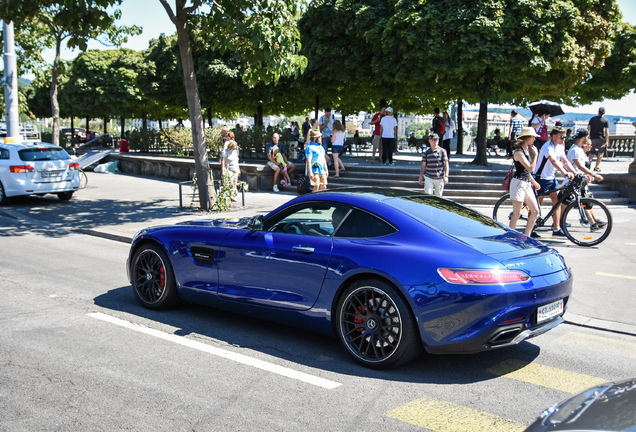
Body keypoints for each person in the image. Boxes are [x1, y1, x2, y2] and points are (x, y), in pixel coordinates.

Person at [533, 126, 576, 237]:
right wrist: (565, 173)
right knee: (537, 204)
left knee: (557, 202)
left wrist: (575, 173)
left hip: (551, 178)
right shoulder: (547, 146)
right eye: (562, 137)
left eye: (565, 137)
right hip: (541, 177)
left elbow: (565, 161)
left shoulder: (560, 147)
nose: (564, 139)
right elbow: (553, 161)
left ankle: (556, 228)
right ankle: (531, 227)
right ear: (554, 136)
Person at [564, 129, 607, 230]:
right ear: (583, 138)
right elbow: (579, 167)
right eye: (587, 137)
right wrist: (594, 174)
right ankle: (592, 222)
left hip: (580, 180)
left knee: (587, 201)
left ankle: (594, 221)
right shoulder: (574, 150)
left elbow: (582, 167)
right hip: (574, 180)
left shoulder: (579, 150)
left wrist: (587, 175)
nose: (588, 139)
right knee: (576, 202)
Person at [508, 127, 541, 237]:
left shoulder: (526, 150)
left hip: (526, 183)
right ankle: (511, 237)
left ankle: (527, 236)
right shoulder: (518, 153)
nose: (534, 139)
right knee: (517, 214)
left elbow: (526, 171)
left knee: (535, 211)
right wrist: (536, 155)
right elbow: (531, 168)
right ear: (527, 138)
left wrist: (533, 181)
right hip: (519, 183)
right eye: (533, 137)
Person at [587, 107, 610, 172]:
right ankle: (596, 167)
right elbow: (606, 132)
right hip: (601, 138)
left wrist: (588, 136)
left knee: (591, 152)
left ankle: (588, 165)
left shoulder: (592, 119)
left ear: (598, 112)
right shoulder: (605, 120)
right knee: (601, 152)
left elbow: (588, 128)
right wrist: (606, 141)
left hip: (592, 137)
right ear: (604, 113)